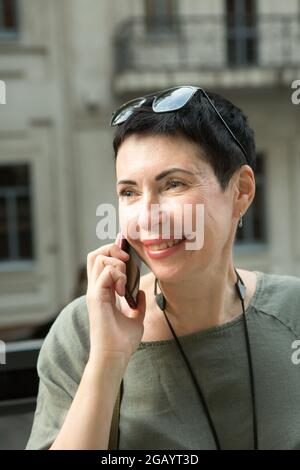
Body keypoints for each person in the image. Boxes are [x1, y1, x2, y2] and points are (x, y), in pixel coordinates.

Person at [26, 86, 300, 450]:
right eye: (129, 192)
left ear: (241, 191)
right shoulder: (83, 332)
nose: (147, 217)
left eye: (173, 184)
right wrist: (108, 359)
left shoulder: (291, 311)